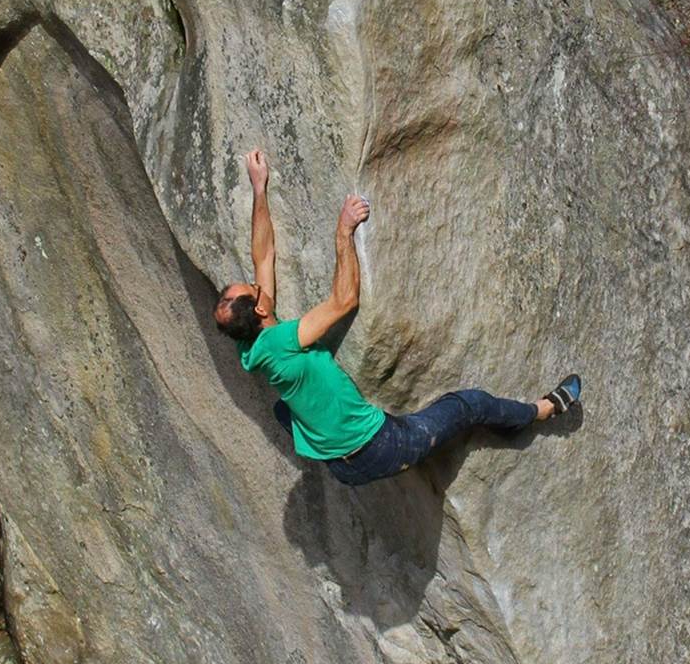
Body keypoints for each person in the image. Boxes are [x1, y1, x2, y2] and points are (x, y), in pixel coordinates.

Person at [213, 149, 581, 486]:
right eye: (253, 287)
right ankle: (542, 410)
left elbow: (263, 256)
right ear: (261, 309)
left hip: (341, 467)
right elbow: (344, 301)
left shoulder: (251, 343)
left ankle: (333, 434)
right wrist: (343, 232)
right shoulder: (280, 341)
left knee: (284, 409)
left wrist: (259, 188)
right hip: (380, 448)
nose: (256, 282)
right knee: (469, 405)